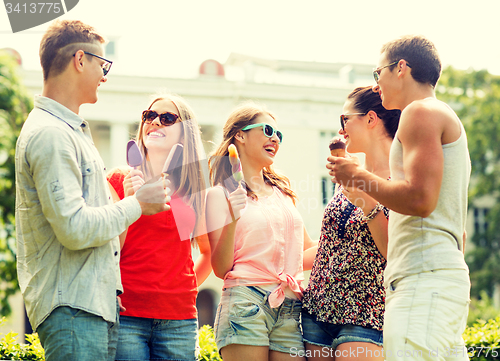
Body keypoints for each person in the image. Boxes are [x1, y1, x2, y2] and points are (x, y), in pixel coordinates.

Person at [15, 20, 168, 361]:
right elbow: (74, 228)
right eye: (104, 64)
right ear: (80, 60)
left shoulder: (69, 131)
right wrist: (137, 204)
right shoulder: (51, 134)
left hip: (90, 307)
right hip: (73, 308)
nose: (106, 74)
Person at [328, 35, 471, 361]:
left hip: (422, 284)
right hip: (436, 279)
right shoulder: (437, 114)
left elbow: (421, 199)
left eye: (378, 73)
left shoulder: (419, 112)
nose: (376, 85)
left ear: (401, 68)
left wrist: (357, 177)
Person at [206, 102, 316, 361]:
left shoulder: (284, 194)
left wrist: (348, 234)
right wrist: (232, 217)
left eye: (278, 134)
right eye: (267, 130)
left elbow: (305, 253)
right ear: (240, 135)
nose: (274, 139)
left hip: (289, 307)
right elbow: (221, 268)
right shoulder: (218, 194)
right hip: (245, 302)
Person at [107, 93, 211, 361]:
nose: (154, 122)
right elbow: (109, 249)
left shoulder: (194, 188)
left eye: (166, 118)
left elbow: (208, 254)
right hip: (126, 314)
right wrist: (132, 203)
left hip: (179, 320)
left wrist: (181, 290)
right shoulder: (118, 179)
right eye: (149, 116)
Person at [302, 86, 401, 361]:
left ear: (371, 119)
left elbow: (393, 252)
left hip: (366, 314)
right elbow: (330, 247)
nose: (341, 129)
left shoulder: (403, 180)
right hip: (318, 312)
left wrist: (367, 204)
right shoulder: (349, 175)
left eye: (345, 119)